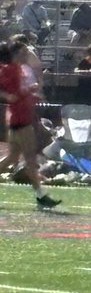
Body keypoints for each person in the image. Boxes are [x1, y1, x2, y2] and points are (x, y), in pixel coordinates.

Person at [0, 38, 60, 209]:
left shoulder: (15, 69)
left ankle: (41, 196)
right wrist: (31, 90)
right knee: (30, 159)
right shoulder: (12, 70)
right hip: (20, 118)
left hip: (18, 116)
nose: (27, 54)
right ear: (16, 54)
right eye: (24, 51)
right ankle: (41, 196)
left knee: (12, 157)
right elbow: (16, 94)